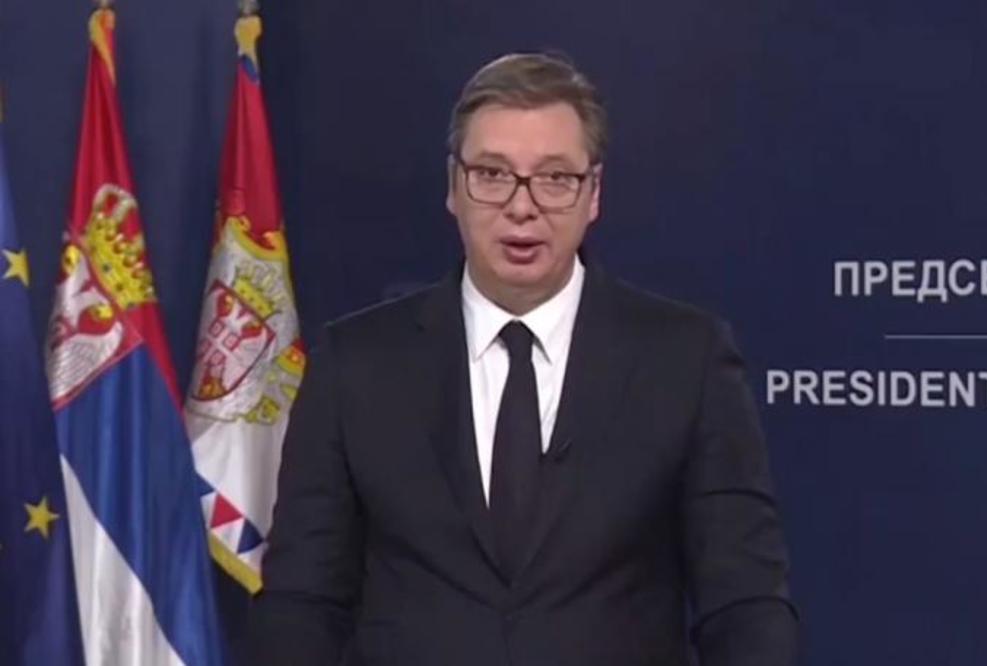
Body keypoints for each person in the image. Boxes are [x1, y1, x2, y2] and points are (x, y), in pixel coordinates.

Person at [247, 52, 797, 666]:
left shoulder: (685, 361)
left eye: (555, 178)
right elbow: (304, 604)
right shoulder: (356, 365)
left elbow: (744, 605)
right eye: (492, 174)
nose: (521, 205)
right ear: (453, 186)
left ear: (594, 194)